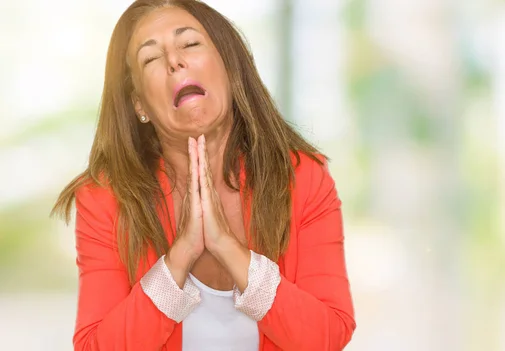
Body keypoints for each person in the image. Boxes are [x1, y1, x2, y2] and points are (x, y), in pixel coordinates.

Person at [51, 0, 355, 350]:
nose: (174, 61)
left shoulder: (303, 178)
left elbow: (328, 336)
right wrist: (180, 256)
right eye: (151, 58)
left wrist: (228, 247)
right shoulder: (105, 199)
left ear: (230, 67)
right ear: (139, 106)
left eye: (190, 44)